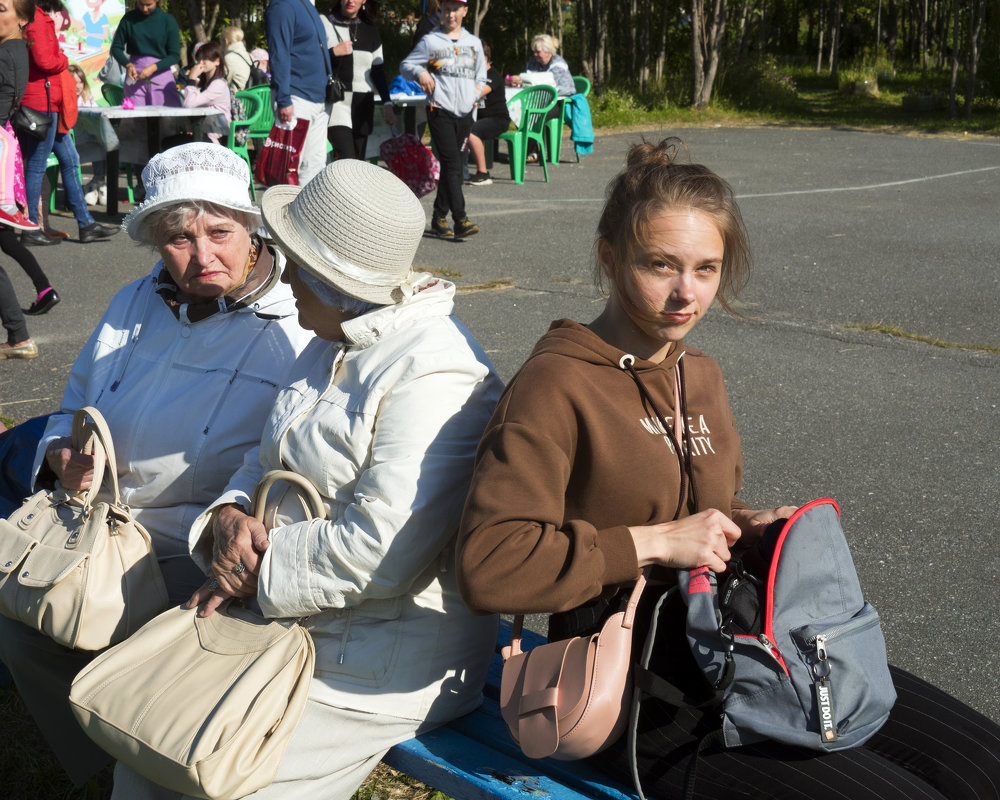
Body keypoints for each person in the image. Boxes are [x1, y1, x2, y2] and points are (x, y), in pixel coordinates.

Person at [456, 137, 1000, 800]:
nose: (687, 293)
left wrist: (747, 523)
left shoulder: (699, 374)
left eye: (706, 269)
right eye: (661, 266)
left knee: (978, 759)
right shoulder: (555, 385)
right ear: (608, 256)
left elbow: (694, 506)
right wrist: (657, 543)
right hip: (640, 681)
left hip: (744, 640)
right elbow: (491, 563)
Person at [106, 159, 505, 799]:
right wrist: (231, 517)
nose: (282, 273)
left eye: (295, 260)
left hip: (379, 664)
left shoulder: (439, 376)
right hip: (294, 619)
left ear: (332, 276)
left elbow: (382, 553)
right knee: (149, 761)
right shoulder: (333, 337)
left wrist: (254, 573)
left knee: (220, 782)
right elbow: (265, 459)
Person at [0, 142, 313, 787]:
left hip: (199, 543)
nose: (202, 256)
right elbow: (77, 397)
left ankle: (138, 758)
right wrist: (60, 448)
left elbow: (287, 454)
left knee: (88, 624)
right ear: (152, 241)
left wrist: (230, 513)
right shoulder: (135, 301)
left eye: (220, 232)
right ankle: (96, 762)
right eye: (178, 239)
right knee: (25, 628)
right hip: (103, 520)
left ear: (250, 226)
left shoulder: (295, 323)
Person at [15, 0, 118, 245]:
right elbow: (45, 61)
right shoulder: (36, 19)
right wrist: (63, 60)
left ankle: (86, 224)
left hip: (48, 103)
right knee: (37, 166)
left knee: (70, 161)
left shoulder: (35, 17)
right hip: (42, 104)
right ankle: (30, 229)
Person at [400, 0, 485, 239]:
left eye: (456, 9)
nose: (451, 15)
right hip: (440, 110)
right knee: (452, 163)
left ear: (464, 11)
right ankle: (460, 219)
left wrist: (472, 96)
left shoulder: (474, 43)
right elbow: (406, 65)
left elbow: (482, 77)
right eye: (447, 9)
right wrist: (421, 72)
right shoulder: (430, 41)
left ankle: (438, 217)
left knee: (453, 165)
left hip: (465, 112)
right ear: (441, 11)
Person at [0, 0, 39, 358]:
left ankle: (19, 335)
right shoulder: (15, 49)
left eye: (2, 8)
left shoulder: (6, 53)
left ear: (22, 19)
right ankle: (18, 335)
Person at [266, 0, 333, 186]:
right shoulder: (282, 6)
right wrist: (284, 98)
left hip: (318, 99)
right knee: (289, 168)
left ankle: (306, 214)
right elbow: (279, 52)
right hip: (296, 98)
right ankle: (283, 214)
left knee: (315, 165)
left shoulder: (307, 5)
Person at [323, 0, 395, 161]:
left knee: (358, 163)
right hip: (336, 103)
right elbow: (312, 59)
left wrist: (388, 104)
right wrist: (333, 52)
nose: (350, 1)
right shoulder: (325, 22)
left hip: (363, 103)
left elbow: (378, 71)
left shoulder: (371, 30)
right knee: (346, 158)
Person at [508, 34, 575, 163]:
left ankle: (532, 151)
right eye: (534, 51)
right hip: (534, 101)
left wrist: (547, 91)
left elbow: (569, 88)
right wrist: (519, 81)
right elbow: (529, 81)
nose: (535, 54)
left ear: (548, 51)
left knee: (535, 114)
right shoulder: (533, 63)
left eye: (538, 52)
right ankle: (531, 151)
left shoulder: (558, 64)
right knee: (519, 110)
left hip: (556, 104)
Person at [109, 0, 182, 107]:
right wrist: (128, 65)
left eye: (149, 5)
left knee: (166, 117)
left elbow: (174, 55)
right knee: (135, 118)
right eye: (141, 4)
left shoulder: (168, 20)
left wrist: (154, 67)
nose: (144, 9)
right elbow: (116, 47)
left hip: (160, 74)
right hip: (134, 75)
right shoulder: (128, 19)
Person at [466, 42, 506, 186]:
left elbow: (478, 93)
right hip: (480, 119)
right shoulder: (472, 76)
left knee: (471, 132)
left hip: (497, 119)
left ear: (485, 58)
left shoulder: (493, 75)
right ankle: (457, 170)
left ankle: (483, 173)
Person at [180, 40, 232, 144]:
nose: (201, 63)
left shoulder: (218, 85)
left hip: (215, 138)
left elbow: (189, 104)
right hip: (203, 132)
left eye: (205, 59)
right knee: (168, 142)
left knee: (170, 144)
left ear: (217, 61)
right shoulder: (207, 83)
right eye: (199, 59)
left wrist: (192, 78)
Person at [221, 24, 252, 93]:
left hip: (236, 99)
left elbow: (219, 83)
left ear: (226, 41)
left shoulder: (228, 58)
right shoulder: (250, 56)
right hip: (251, 99)